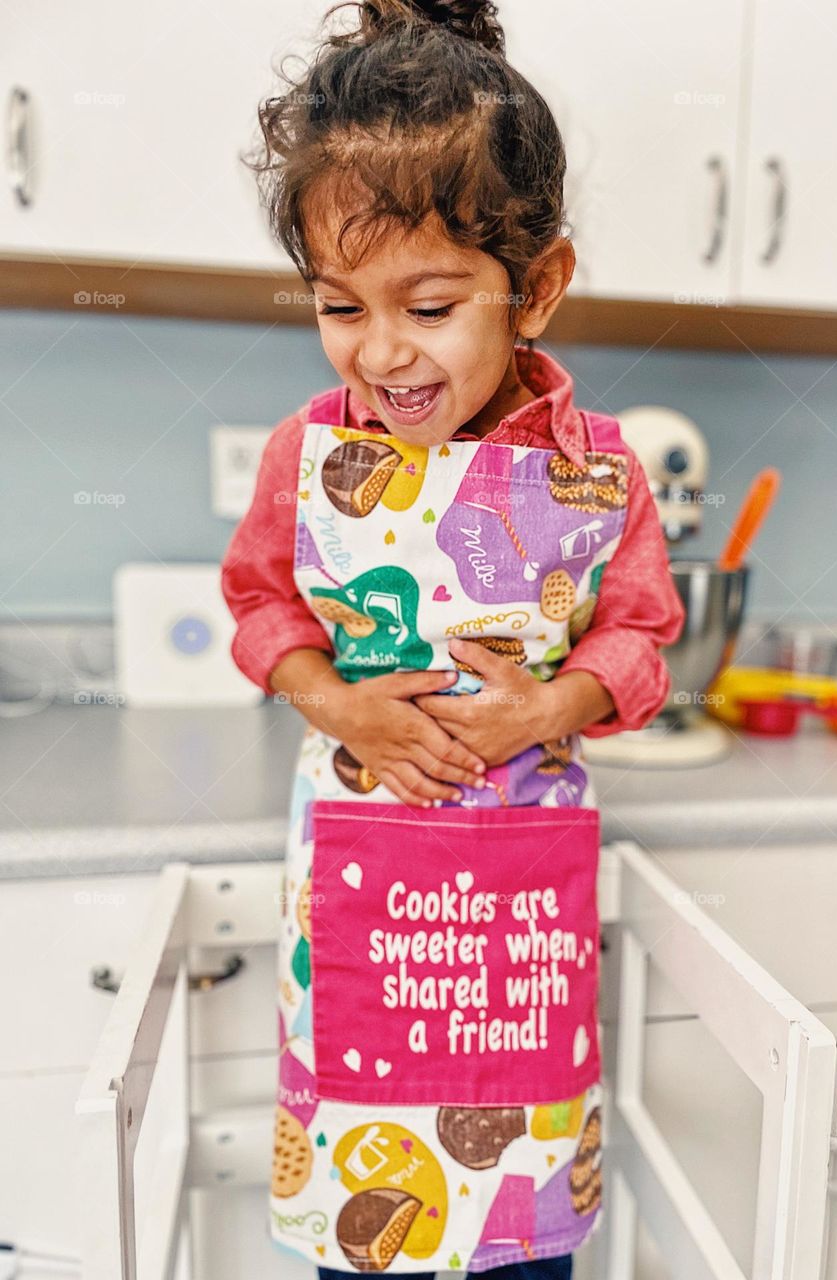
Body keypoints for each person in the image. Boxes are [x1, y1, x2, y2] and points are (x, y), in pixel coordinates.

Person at [221, 1, 686, 1274]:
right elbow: (262, 607)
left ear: (534, 288)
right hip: (363, 909)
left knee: (525, 1241)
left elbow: (644, 633)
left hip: (512, 926)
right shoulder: (309, 456)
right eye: (338, 307)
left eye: (427, 307)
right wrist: (337, 700)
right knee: (363, 1251)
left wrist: (550, 707)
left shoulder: (600, 475)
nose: (379, 352)